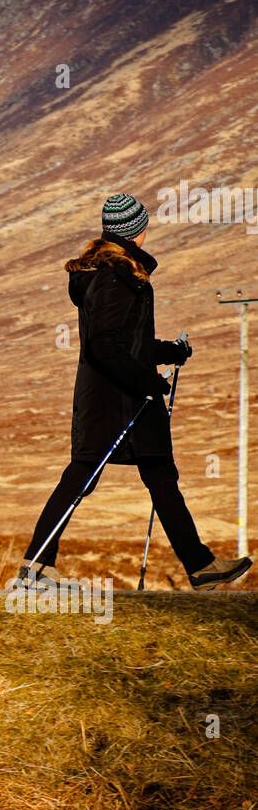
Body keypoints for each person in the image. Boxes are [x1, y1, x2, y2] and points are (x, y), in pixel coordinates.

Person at [20, 192, 252, 592]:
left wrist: (168, 351)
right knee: (82, 477)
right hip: (117, 399)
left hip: (116, 396)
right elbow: (104, 345)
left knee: (159, 475)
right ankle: (36, 568)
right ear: (137, 231)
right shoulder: (116, 276)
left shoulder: (109, 272)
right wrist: (149, 380)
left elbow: (125, 342)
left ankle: (200, 565)